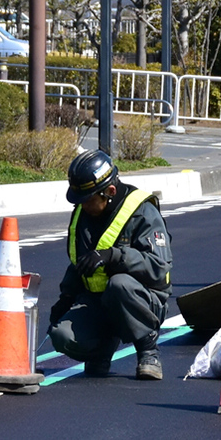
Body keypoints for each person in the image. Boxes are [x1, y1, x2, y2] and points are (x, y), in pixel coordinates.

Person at [48, 150, 173, 380]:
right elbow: (79, 263)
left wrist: (114, 256)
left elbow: (159, 267)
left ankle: (148, 350)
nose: (82, 206)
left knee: (120, 285)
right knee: (62, 335)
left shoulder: (143, 212)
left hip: (142, 300)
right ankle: (102, 349)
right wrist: (66, 298)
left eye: (88, 200)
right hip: (98, 301)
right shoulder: (82, 215)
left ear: (110, 192)